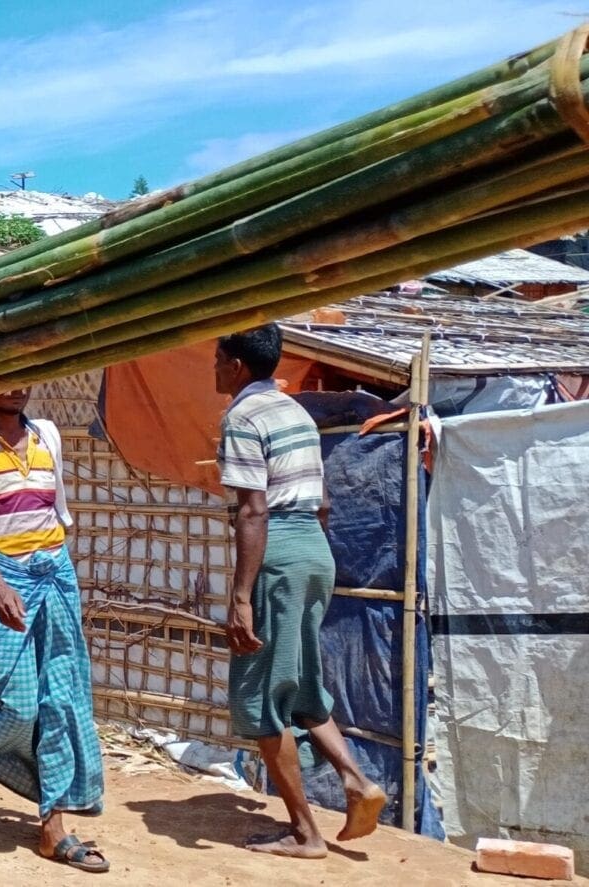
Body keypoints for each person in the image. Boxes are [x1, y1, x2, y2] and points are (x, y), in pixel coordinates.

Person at [214, 325, 385, 857]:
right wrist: (309, 556)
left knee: (262, 695)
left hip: (279, 550)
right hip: (314, 548)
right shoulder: (295, 412)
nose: (214, 370)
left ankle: (306, 833)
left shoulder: (242, 417)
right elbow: (325, 503)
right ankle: (359, 781)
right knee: (303, 684)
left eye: (218, 360)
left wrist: (242, 596)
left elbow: (253, 509)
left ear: (237, 366)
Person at [0, 388, 108, 873]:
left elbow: (52, 513)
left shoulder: (46, 436)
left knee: (63, 698)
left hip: (55, 572)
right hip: (6, 578)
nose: (16, 388)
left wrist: (56, 566)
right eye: (5, 377)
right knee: (20, 706)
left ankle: (53, 829)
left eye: (24, 377)